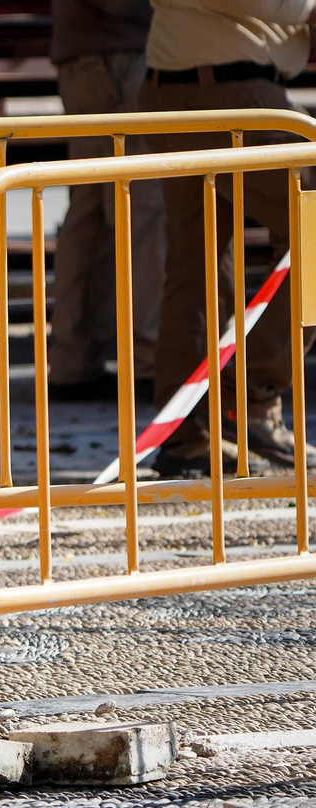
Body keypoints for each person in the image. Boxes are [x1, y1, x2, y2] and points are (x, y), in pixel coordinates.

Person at [141, 0, 316, 477]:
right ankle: (249, 395)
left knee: (195, 266)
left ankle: (188, 433)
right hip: (233, 91)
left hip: (197, 87)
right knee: (310, 223)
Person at [48, 0, 164, 403]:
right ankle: (151, 359)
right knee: (141, 209)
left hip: (91, 53)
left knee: (93, 211)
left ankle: (73, 358)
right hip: (120, 52)